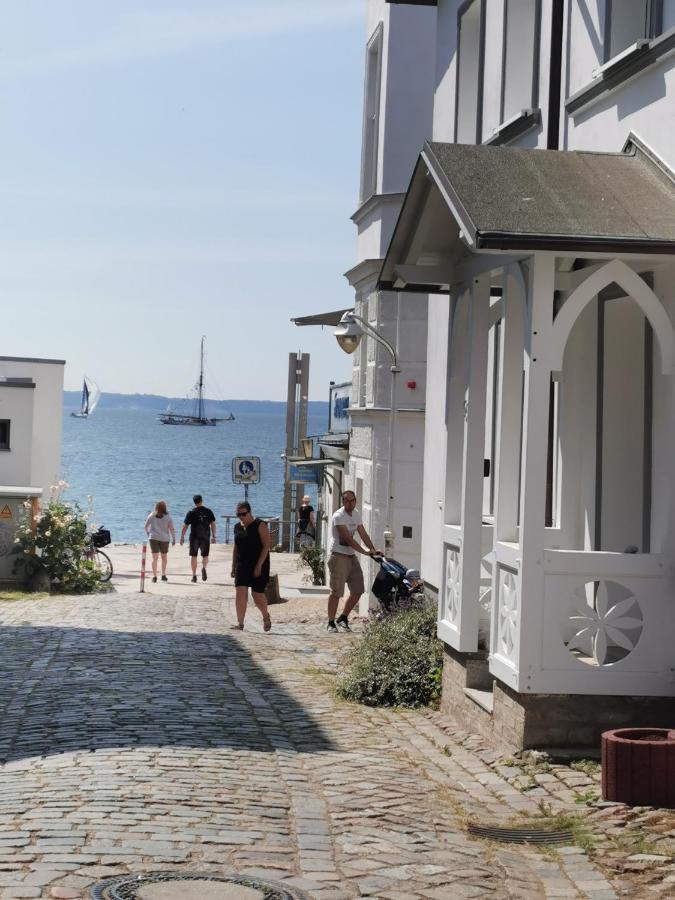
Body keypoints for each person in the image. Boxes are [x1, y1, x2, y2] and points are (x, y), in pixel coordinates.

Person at [326, 489, 382, 633]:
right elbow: (348, 539)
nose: (350, 503)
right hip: (338, 555)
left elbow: (362, 533)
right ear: (343, 502)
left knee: (358, 590)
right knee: (336, 592)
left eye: (352, 500)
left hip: (351, 556)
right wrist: (365, 552)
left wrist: (373, 550)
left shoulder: (356, 514)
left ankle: (343, 618)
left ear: (355, 501)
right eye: (347, 501)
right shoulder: (338, 516)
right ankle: (331, 622)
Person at [230, 501, 272, 632]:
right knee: (240, 592)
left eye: (243, 514)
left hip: (259, 563)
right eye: (238, 514)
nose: (241, 517)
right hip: (242, 563)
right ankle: (240, 623)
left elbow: (266, 546)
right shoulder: (237, 527)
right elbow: (236, 547)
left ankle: (265, 616)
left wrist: (259, 565)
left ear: (249, 512)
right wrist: (233, 567)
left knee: (257, 594)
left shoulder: (260, 525)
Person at [180, 494, 216, 583]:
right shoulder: (208, 511)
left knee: (194, 556)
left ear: (194, 502)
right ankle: (203, 567)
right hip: (205, 536)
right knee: (205, 555)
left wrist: (182, 537)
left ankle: (194, 575)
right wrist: (214, 536)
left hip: (194, 537)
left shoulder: (191, 512)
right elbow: (213, 524)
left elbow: (185, 526)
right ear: (201, 500)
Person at [144, 500, 176, 583]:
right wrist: (174, 538)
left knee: (154, 558)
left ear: (156, 507)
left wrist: (149, 534)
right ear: (165, 507)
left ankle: (154, 577)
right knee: (164, 558)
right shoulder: (168, 516)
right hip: (164, 539)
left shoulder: (151, 515)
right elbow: (171, 528)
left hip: (153, 538)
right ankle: (163, 575)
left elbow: (146, 526)